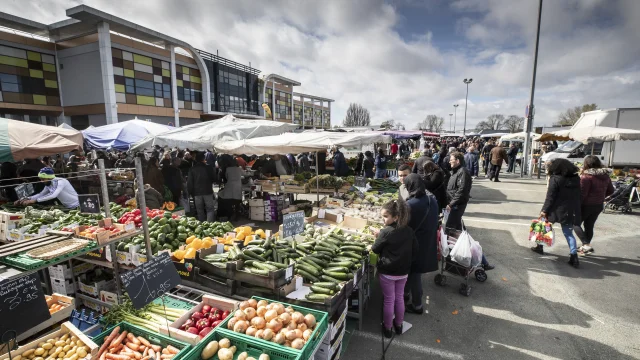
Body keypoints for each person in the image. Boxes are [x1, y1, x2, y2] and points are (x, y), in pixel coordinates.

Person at [371, 198, 417, 338]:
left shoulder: (386, 232)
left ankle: (387, 328)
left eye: (385, 216)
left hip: (387, 273)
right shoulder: (409, 231)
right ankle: (398, 325)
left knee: (389, 300)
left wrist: (378, 236)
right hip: (403, 272)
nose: (383, 219)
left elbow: (375, 249)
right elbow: (415, 250)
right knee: (399, 298)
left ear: (396, 217)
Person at [534, 159, 582, 267]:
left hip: (555, 209)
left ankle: (540, 247)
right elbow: (579, 195)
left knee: (544, 226)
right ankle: (574, 256)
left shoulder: (555, 179)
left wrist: (544, 210)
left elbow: (550, 197)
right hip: (570, 209)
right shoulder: (576, 179)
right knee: (568, 233)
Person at [402, 174, 439, 315]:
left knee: (415, 273)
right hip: (428, 241)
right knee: (414, 272)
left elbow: (403, 225)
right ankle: (405, 294)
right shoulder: (431, 199)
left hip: (415, 244)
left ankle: (417, 305)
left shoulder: (410, 205)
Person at [573, 155, 614, 256]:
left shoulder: (586, 177)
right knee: (589, 225)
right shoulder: (605, 176)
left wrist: (575, 206)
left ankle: (586, 244)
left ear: (586, 164)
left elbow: (582, 194)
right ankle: (585, 247)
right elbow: (611, 191)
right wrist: (601, 196)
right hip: (599, 204)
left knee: (575, 223)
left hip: (586, 205)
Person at [187, 152, 217, 222]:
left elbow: (190, 183)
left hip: (197, 192)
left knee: (199, 210)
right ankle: (210, 225)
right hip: (208, 191)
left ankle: (202, 225)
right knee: (210, 209)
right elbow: (214, 179)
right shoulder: (209, 167)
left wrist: (190, 192)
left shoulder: (192, 169)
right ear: (204, 159)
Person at [445, 152, 471, 230]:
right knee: (456, 225)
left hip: (457, 204)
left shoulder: (462, 172)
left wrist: (451, 204)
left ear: (457, 161)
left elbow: (462, 190)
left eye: (451, 160)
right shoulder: (455, 171)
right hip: (454, 203)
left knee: (450, 227)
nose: (449, 162)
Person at [217, 155, 243, 220]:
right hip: (237, 188)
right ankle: (237, 215)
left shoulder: (227, 169)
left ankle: (229, 215)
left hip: (229, 187)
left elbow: (226, 177)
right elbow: (245, 174)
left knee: (227, 199)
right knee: (237, 202)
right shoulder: (239, 168)